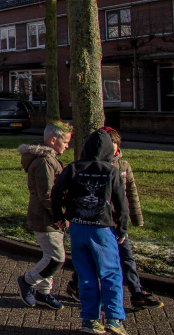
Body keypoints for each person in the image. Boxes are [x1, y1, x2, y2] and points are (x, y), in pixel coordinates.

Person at [66, 127, 163, 310]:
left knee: (126, 257)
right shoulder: (90, 167)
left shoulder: (123, 166)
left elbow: (130, 194)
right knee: (92, 258)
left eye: (117, 145)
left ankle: (136, 292)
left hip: (117, 223)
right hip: (98, 223)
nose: (115, 148)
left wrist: (135, 219)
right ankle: (76, 284)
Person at [51, 129, 130, 335]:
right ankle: (114, 319)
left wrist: (59, 216)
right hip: (101, 227)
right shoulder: (111, 171)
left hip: (77, 227)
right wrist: (122, 227)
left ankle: (90, 320)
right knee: (110, 273)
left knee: (85, 275)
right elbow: (121, 202)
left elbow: (56, 192)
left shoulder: (73, 168)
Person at [16, 121, 72, 311]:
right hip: (45, 217)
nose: (67, 146)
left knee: (50, 256)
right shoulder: (44, 162)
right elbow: (47, 194)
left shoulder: (50, 158)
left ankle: (44, 294)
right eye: (65, 142)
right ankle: (27, 281)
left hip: (49, 216)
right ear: (53, 140)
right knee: (57, 259)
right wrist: (61, 216)